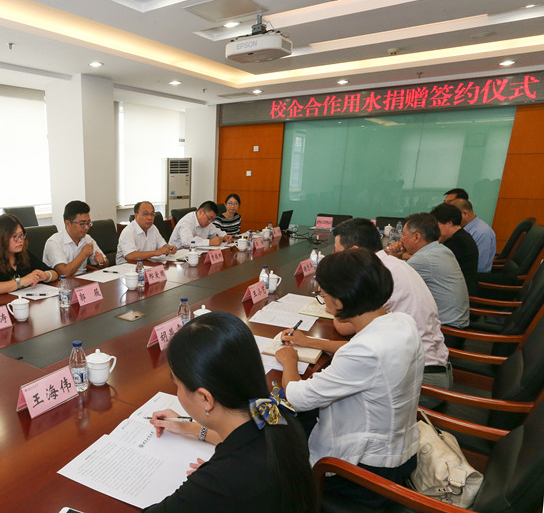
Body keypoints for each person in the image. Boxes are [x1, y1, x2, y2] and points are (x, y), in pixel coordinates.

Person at [274, 249, 424, 508]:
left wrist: (289, 361)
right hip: (400, 452)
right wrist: (310, 342)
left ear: (340, 301)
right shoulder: (402, 322)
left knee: (277, 423)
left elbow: (296, 397)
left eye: (323, 294)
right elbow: (360, 350)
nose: (322, 297)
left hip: (366, 474)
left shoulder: (365, 351)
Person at [144, 312, 316, 512]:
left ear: (206, 399)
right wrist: (189, 428)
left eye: (177, 384)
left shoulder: (221, 481)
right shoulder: (276, 414)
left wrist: (208, 485)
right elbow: (245, 443)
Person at [332, 218, 451, 408]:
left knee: (334, 399)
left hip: (423, 383)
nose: (334, 257)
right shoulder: (391, 264)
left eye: (337, 251)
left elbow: (343, 327)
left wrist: (332, 299)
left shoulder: (375, 274)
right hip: (433, 369)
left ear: (353, 251)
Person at [388, 213, 470, 329]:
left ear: (416, 237)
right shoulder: (441, 249)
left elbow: (390, 282)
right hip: (456, 320)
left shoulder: (423, 259)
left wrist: (392, 257)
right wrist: (398, 258)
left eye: (403, 234)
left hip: (447, 328)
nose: (401, 239)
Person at [0, 214, 58, 298]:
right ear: (1, 238)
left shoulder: (23, 253)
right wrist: (20, 282)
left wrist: (46, 276)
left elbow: (54, 273)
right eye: (15, 236)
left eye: (21, 235)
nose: (20, 240)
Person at [43, 200, 107, 276]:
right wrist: (83, 254)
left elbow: (106, 263)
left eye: (88, 223)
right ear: (68, 223)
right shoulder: (54, 242)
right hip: (62, 282)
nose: (87, 227)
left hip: (83, 279)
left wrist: (102, 261)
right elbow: (64, 273)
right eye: (82, 224)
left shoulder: (87, 238)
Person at [430, 203, 479, 295]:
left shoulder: (458, 242)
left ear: (449, 223)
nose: (435, 229)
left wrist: (405, 255)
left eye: (437, 225)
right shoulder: (461, 235)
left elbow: (432, 261)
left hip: (460, 291)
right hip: (456, 286)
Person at [451, 198, 496, 272]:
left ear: (464, 213)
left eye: (453, 217)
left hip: (473, 275)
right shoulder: (464, 229)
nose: (452, 221)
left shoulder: (482, 232)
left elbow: (479, 266)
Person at [168, 201, 232, 249]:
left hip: (195, 253)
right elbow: (187, 242)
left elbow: (216, 231)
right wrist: (210, 242)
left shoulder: (207, 222)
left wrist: (224, 237)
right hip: (177, 256)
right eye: (209, 218)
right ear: (201, 212)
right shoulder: (187, 221)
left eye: (212, 220)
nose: (210, 222)